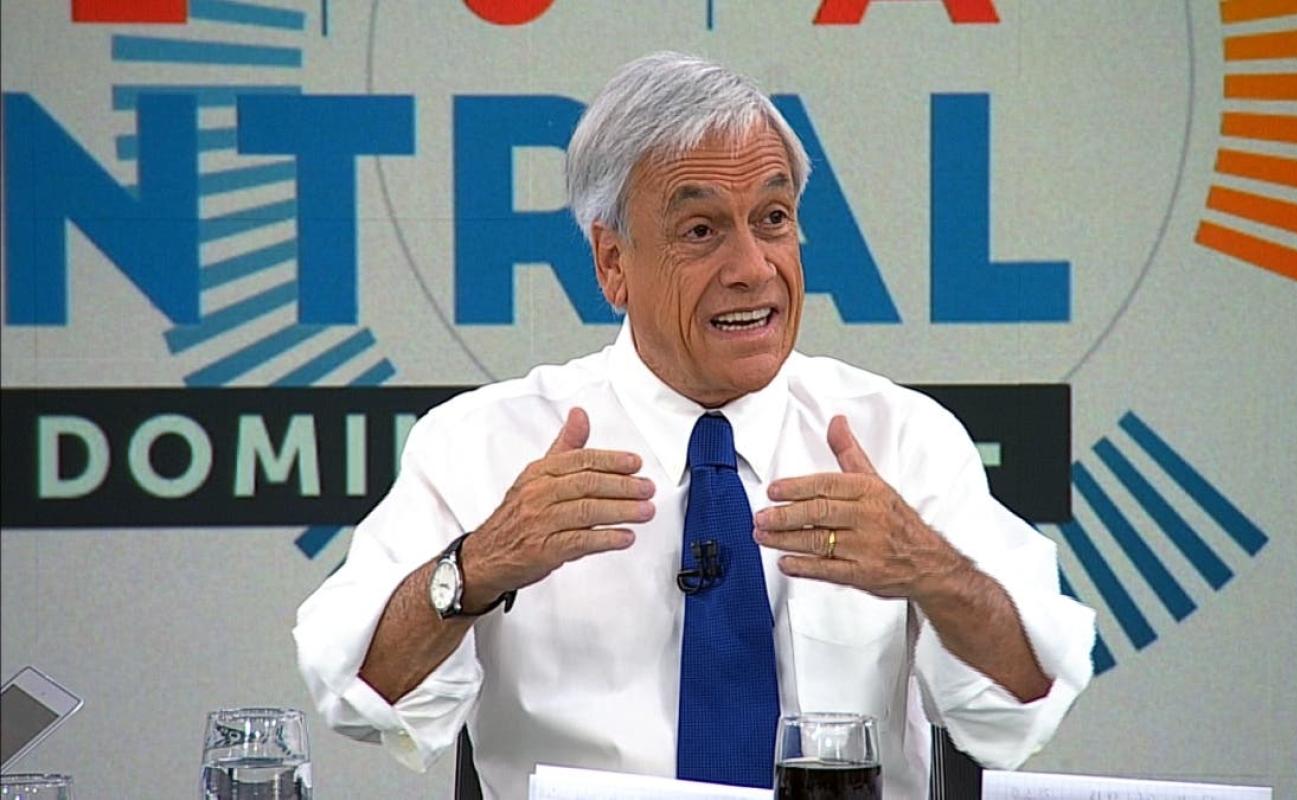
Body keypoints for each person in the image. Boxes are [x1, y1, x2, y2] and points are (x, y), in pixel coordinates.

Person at [294, 51, 1095, 799]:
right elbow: (362, 697)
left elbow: (1023, 707)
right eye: (702, 231)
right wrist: (478, 566)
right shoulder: (482, 445)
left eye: (773, 218)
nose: (752, 267)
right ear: (613, 263)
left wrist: (931, 571)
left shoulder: (900, 440)